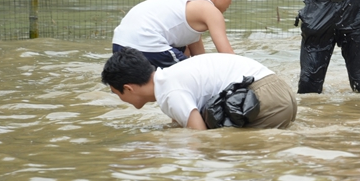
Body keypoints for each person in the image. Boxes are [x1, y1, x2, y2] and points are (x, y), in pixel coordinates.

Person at [102, 47, 296, 130]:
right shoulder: (170, 77)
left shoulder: (169, 93)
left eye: (116, 93)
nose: (119, 99)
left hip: (264, 100)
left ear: (128, 88)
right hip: (277, 92)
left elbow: (199, 137)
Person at [112, 0, 239, 67]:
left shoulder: (186, 5)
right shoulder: (211, 11)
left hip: (120, 45)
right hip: (145, 44)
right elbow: (227, 56)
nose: (231, 2)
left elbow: (200, 59)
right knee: (193, 78)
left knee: (187, 55)